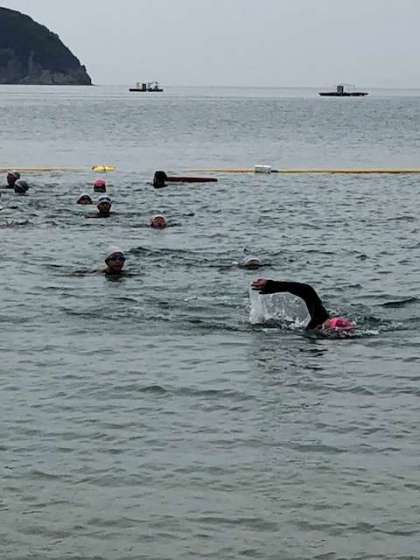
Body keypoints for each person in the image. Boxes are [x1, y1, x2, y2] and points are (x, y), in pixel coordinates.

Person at [251, 278, 355, 333]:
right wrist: (270, 285)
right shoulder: (320, 317)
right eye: (325, 325)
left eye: (325, 328)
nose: (320, 327)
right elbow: (306, 290)